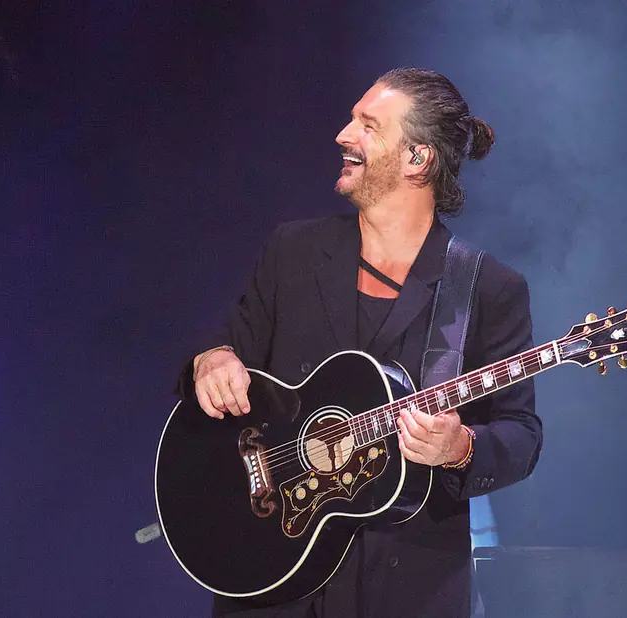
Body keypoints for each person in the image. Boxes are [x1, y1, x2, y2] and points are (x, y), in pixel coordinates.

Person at [180, 68, 543, 618]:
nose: (343, 136)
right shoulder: (293, 250)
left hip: (404, 583)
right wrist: (214, 361)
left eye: (368, 126)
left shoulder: (488, 286)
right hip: (271, 573)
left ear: (417, 159)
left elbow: (521, 433)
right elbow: (228, 346)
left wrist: (462, 448)